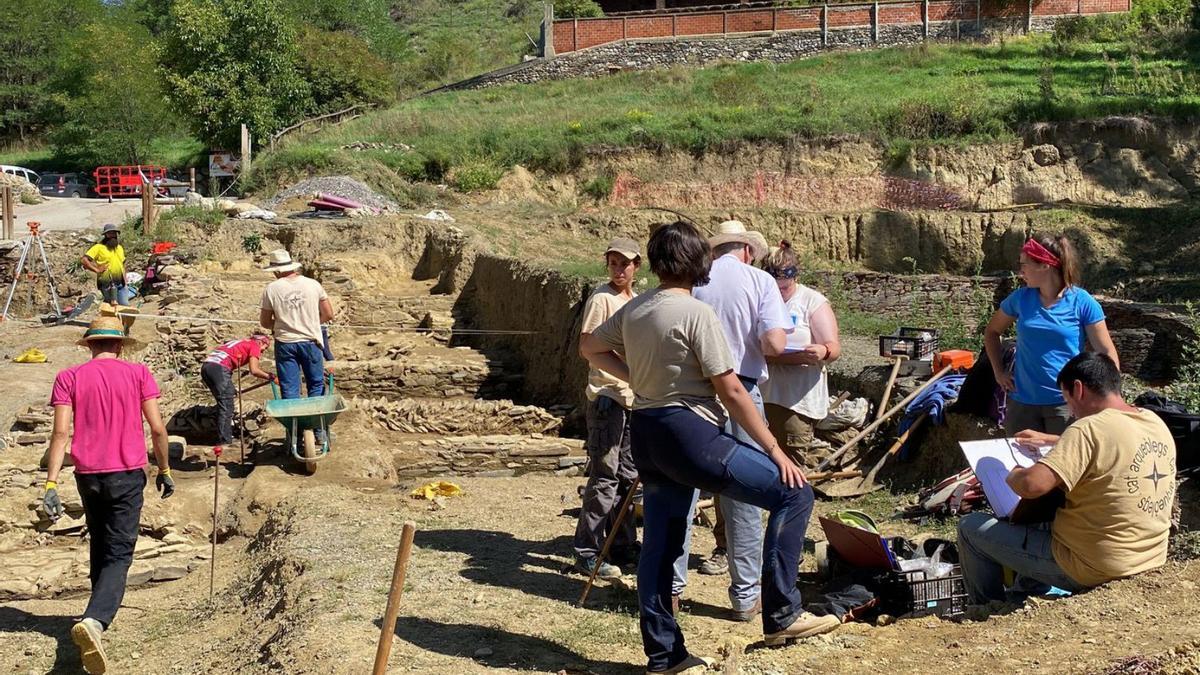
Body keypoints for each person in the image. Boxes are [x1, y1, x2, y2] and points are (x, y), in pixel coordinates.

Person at [582, 221, 837, 674]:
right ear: (697, 262)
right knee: (793, 494)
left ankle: (665, 654)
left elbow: (589, 347)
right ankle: (782, 615)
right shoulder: (696, 313)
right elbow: (733, 390)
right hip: (691, 432)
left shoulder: (637, 307)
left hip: (647, 430)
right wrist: (775, 451)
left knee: (661, 542)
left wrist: (635, 378)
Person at [957, 352, 1176, 605]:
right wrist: (1052, 441)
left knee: (970, 528)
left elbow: (1031, 485)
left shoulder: (1088, 428)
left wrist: (1013, 472)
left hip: (1094, 566)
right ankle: (1024, 595)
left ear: (1078, 389)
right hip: (1149, 556)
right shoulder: (1152, 421)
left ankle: (986, 609)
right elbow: (1112, 447)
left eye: (1067, 399)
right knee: (1043, 517)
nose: (1071, 412)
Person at [41, 315, 174, 675]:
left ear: (91, 346)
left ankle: (93, 611)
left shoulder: (69, 377)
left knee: (98, 541)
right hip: (128, 473)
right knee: (119, 553)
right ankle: (96, 621)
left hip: (88, 476)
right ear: (118, 345)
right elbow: (158, 429)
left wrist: (51, 483)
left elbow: (59, 435)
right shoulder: (137, 374)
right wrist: (163, 469)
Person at [689, 219, 791, 622]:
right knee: (744, 493)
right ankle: (745, 596)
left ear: (715, 250)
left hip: (693, 391)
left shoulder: (692, 280)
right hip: (741, 389)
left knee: (684, 490)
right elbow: (773, 343)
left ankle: (673, 589)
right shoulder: (759, 281)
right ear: (748, 250)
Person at [984, 234, 1119, 435]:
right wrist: (999, 372)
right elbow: (992, 332)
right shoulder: (1020, 299)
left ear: (1045, 265)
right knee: (1020, 465)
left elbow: (1106, 352)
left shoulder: (1082, 302)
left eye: (1025, 265)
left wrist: (1111, 398)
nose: (1020, 272)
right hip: (1023, 403)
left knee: (1064, 464)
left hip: (1066, 405)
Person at [573, 238, 642, 580]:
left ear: (636, 267)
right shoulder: (602, 299)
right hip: (608, 396)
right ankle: (587, 549)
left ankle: (623, 544)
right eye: (613, 263)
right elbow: (589, 346)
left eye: (624, 264)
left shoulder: (633, 300)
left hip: (631, 398)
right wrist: (630, 371)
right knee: (605, 475)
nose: (618, 270)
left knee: (628, 476)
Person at [759, 241, 842, 468]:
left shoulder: (811, 302)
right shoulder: (761, 300)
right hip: (762, 394)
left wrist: (823, 351)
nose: (780, 291)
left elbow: (833, 348)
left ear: (794, 276)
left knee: (790, 462)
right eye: (775, 285)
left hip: (795, 399)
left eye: (784, 286)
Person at [259, 249, 334, 405]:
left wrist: (283, 325)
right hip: (311, 341)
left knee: (289, 388)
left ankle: (296, 427)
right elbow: (328, 314)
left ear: (277, 271)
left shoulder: (271, 289)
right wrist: (310, 322)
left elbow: (265, 322)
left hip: (286, 343)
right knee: (316, 385)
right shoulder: (313, 284)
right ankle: (317, 426)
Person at [201, 329, 276, 451]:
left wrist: (230, 388)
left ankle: (224, 436)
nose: (262, 351)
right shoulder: (254, 345)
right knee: (226, 405)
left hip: (207, 367)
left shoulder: (241, 342)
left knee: (225, 400)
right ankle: (224, 441)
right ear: (261, 342)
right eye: (265, 347)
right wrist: (270, 376)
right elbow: (254, 370)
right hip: (219, 368)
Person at [80, 223, 133, 306]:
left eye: (114, 233)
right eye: (110, 233)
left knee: (124, 306)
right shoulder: (98, 247)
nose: (112, 235)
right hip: (107, 285)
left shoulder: (119, 248)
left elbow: (123, 264)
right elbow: (84, 260)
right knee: (112, 307)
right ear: (105, 235)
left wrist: (125, 281)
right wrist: (96, 269)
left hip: (121, 284)